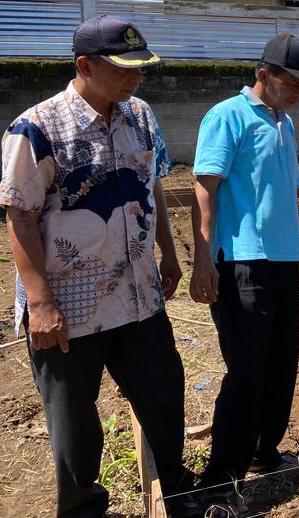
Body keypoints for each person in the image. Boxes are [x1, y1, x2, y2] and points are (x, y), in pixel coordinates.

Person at [0, 15, 202, 518]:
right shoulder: (36, 129)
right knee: (75, 426)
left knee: (163, 391)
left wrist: (169, 253)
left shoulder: (141, 116)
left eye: (141, 69)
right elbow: (19, 215)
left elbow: (150, 185)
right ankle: (84, 507)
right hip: (71, 308)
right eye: (124, 69)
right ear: (84, 66)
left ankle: (175, 485)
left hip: (138, 297)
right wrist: (41, 302)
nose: (135, 78)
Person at [189, 33, 299, 514]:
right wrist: (204, 259)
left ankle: (266, 452)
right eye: (292, 83)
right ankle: (220, 480)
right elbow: (205, 189)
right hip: (242, 260)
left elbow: (286, 197)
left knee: (282, 364)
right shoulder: (227, 117)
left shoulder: (284, 124)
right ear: (263, 75)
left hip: (283, 261)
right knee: (246, 373)